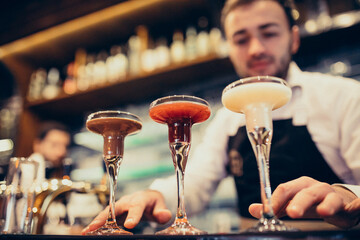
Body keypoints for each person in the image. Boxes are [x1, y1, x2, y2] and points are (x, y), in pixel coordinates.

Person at [82, 0, 360, 234]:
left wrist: (350, 197)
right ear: (229, 47)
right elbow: (197, 182)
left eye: (269, 33)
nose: (255, 49)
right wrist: (155, 195)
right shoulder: (226, 119)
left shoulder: (344, 97)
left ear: (294, 38)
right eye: (241, 39)